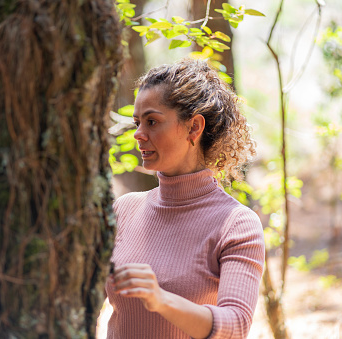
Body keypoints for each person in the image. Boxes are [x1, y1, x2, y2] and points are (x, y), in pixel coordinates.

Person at [105, 59, 265, 339]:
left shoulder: (237, 224)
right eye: (137, 123)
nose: (138, 135)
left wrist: (161, 299)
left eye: (152, 121)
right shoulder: (124, 209)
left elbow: (236, 325)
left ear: (194, 128)